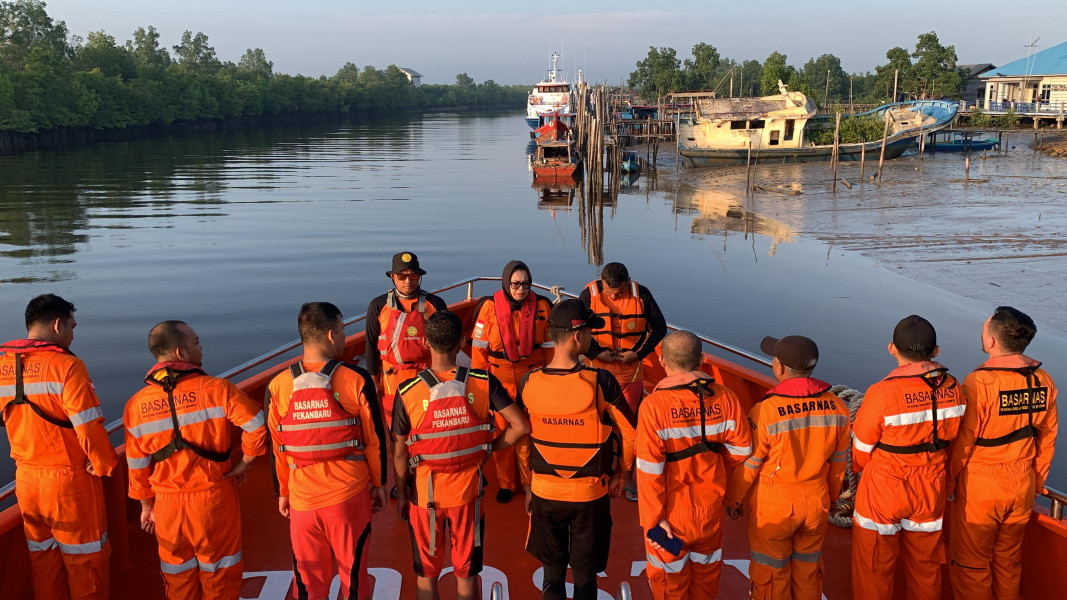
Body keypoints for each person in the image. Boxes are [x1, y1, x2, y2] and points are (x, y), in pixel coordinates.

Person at [123, 321, 267, 599]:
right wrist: (244, 462)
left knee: (178, 580)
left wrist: (145, 505)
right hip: (213, 499)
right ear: (181, 352)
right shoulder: (218, 389)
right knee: (220, 575)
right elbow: (258, 425)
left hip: (166, 509)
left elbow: (136, 464)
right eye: (197, 342)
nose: (201, 348)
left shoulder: (135, 406)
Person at [392, 310, 531, 600]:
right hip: (468, 496)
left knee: (426, 576)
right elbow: (520, 426)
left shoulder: (406, 391)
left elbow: (400, 454)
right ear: (461, 343)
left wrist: (403, 495)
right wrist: (488, 447)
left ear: (426, 344)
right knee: (467, 574)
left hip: (424, 497)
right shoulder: (483, 382)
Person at [516, 299, 637, 600]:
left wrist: (529, 484)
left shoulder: (528, 382)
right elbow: (630, 434)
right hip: (590, 495)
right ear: (577, 335)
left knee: (552, 573)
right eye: (590, 333)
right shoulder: (601, 381)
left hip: (545, 492)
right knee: (584, 575)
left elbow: (522, 441)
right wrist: (623, 473)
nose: (592, 339)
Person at [0, 294, 120, 600]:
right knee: (86, 563)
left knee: (44, 564)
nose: (73, 335)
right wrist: (105, 464)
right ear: (57, 325)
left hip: (25, 482)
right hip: (69, 485)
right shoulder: (66, 366)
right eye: (72, 326)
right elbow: (89, 426)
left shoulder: (1, 364)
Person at [268, 302, 388, 600]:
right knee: (353, 578)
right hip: (348, 498)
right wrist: (378, 484)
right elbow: (375, 441)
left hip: (302, 501)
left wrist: (283, 492)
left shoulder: (278, 385)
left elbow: (278, 448)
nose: (347, 336)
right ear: (332, 335)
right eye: (345, 330)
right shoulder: (355, 380)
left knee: (307, 583)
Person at [725, 335, 850, 600]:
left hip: (776, 508)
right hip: (817, 502)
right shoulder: (838, 407)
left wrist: (734, 499)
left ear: (779, 368)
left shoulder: (766, 411)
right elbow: (839, 462)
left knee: (771, 573)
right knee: (808, 570)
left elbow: (751, 463)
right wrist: (833, 496)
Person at [851, 315, 967, 600]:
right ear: (936, 351)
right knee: (926, 566)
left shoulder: (881, 394)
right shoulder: (954, 387)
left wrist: (862, 473)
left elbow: (862, 450)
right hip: (932, 487)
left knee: (874, 564)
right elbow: (956, 439)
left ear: (892, 348)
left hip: (884, 487)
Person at [948, 306, 1058, 599]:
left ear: (992, 341)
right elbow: (1048, 437)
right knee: (1009, 562)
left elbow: (965, 441)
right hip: (1021, 483)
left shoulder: (979, 381)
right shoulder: (1043, 379)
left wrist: (949, 480)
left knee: (971, 564)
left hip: (981, 486)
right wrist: (1036, 481)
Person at [637, 331, 752, 599]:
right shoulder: (727, 398)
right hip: (711, 510)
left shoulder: (654, 407)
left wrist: (654, 520)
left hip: (670, 515)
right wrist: (719, 480)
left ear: (662, 360)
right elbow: (742, 450)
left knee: (670, 585)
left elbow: (649, 470)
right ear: (701, 360)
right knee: (705, 582)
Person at [470, 260, 553, 503]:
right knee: (502, 431)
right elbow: (478, 351)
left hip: (533, 379)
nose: (521, 289)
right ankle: (507, 483)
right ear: (506, 283)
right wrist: (480, 387)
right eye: (516, 284)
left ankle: (530, 482)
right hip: (498, 381)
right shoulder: (488, 309)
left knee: (531, 432)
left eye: (526, 283)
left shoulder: (543, 307)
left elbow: (549, 348)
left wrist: (549, 380)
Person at [365, 252, 448, 428]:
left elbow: (446, 343)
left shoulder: (435, 304)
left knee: (426, 426)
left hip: (428, 376)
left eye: (414, 275)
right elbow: (371, 343)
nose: (408, 281)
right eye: (402, 276)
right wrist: (373, 377)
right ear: (393, 277)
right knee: (396, 429)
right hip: (391, 379)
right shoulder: (378, 306)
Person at [578, 262, 667, 414]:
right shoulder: (588, 296)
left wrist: (639, 355)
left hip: (630, 373)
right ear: (601, 279)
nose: (613, 296)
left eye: (619, 293)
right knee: (597, 415)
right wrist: (596, 354)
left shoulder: (642, 295)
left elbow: (660, 328)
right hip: (596, 370)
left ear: (628, 281)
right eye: (608, 291)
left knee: (628, 417)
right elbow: (577, 332)